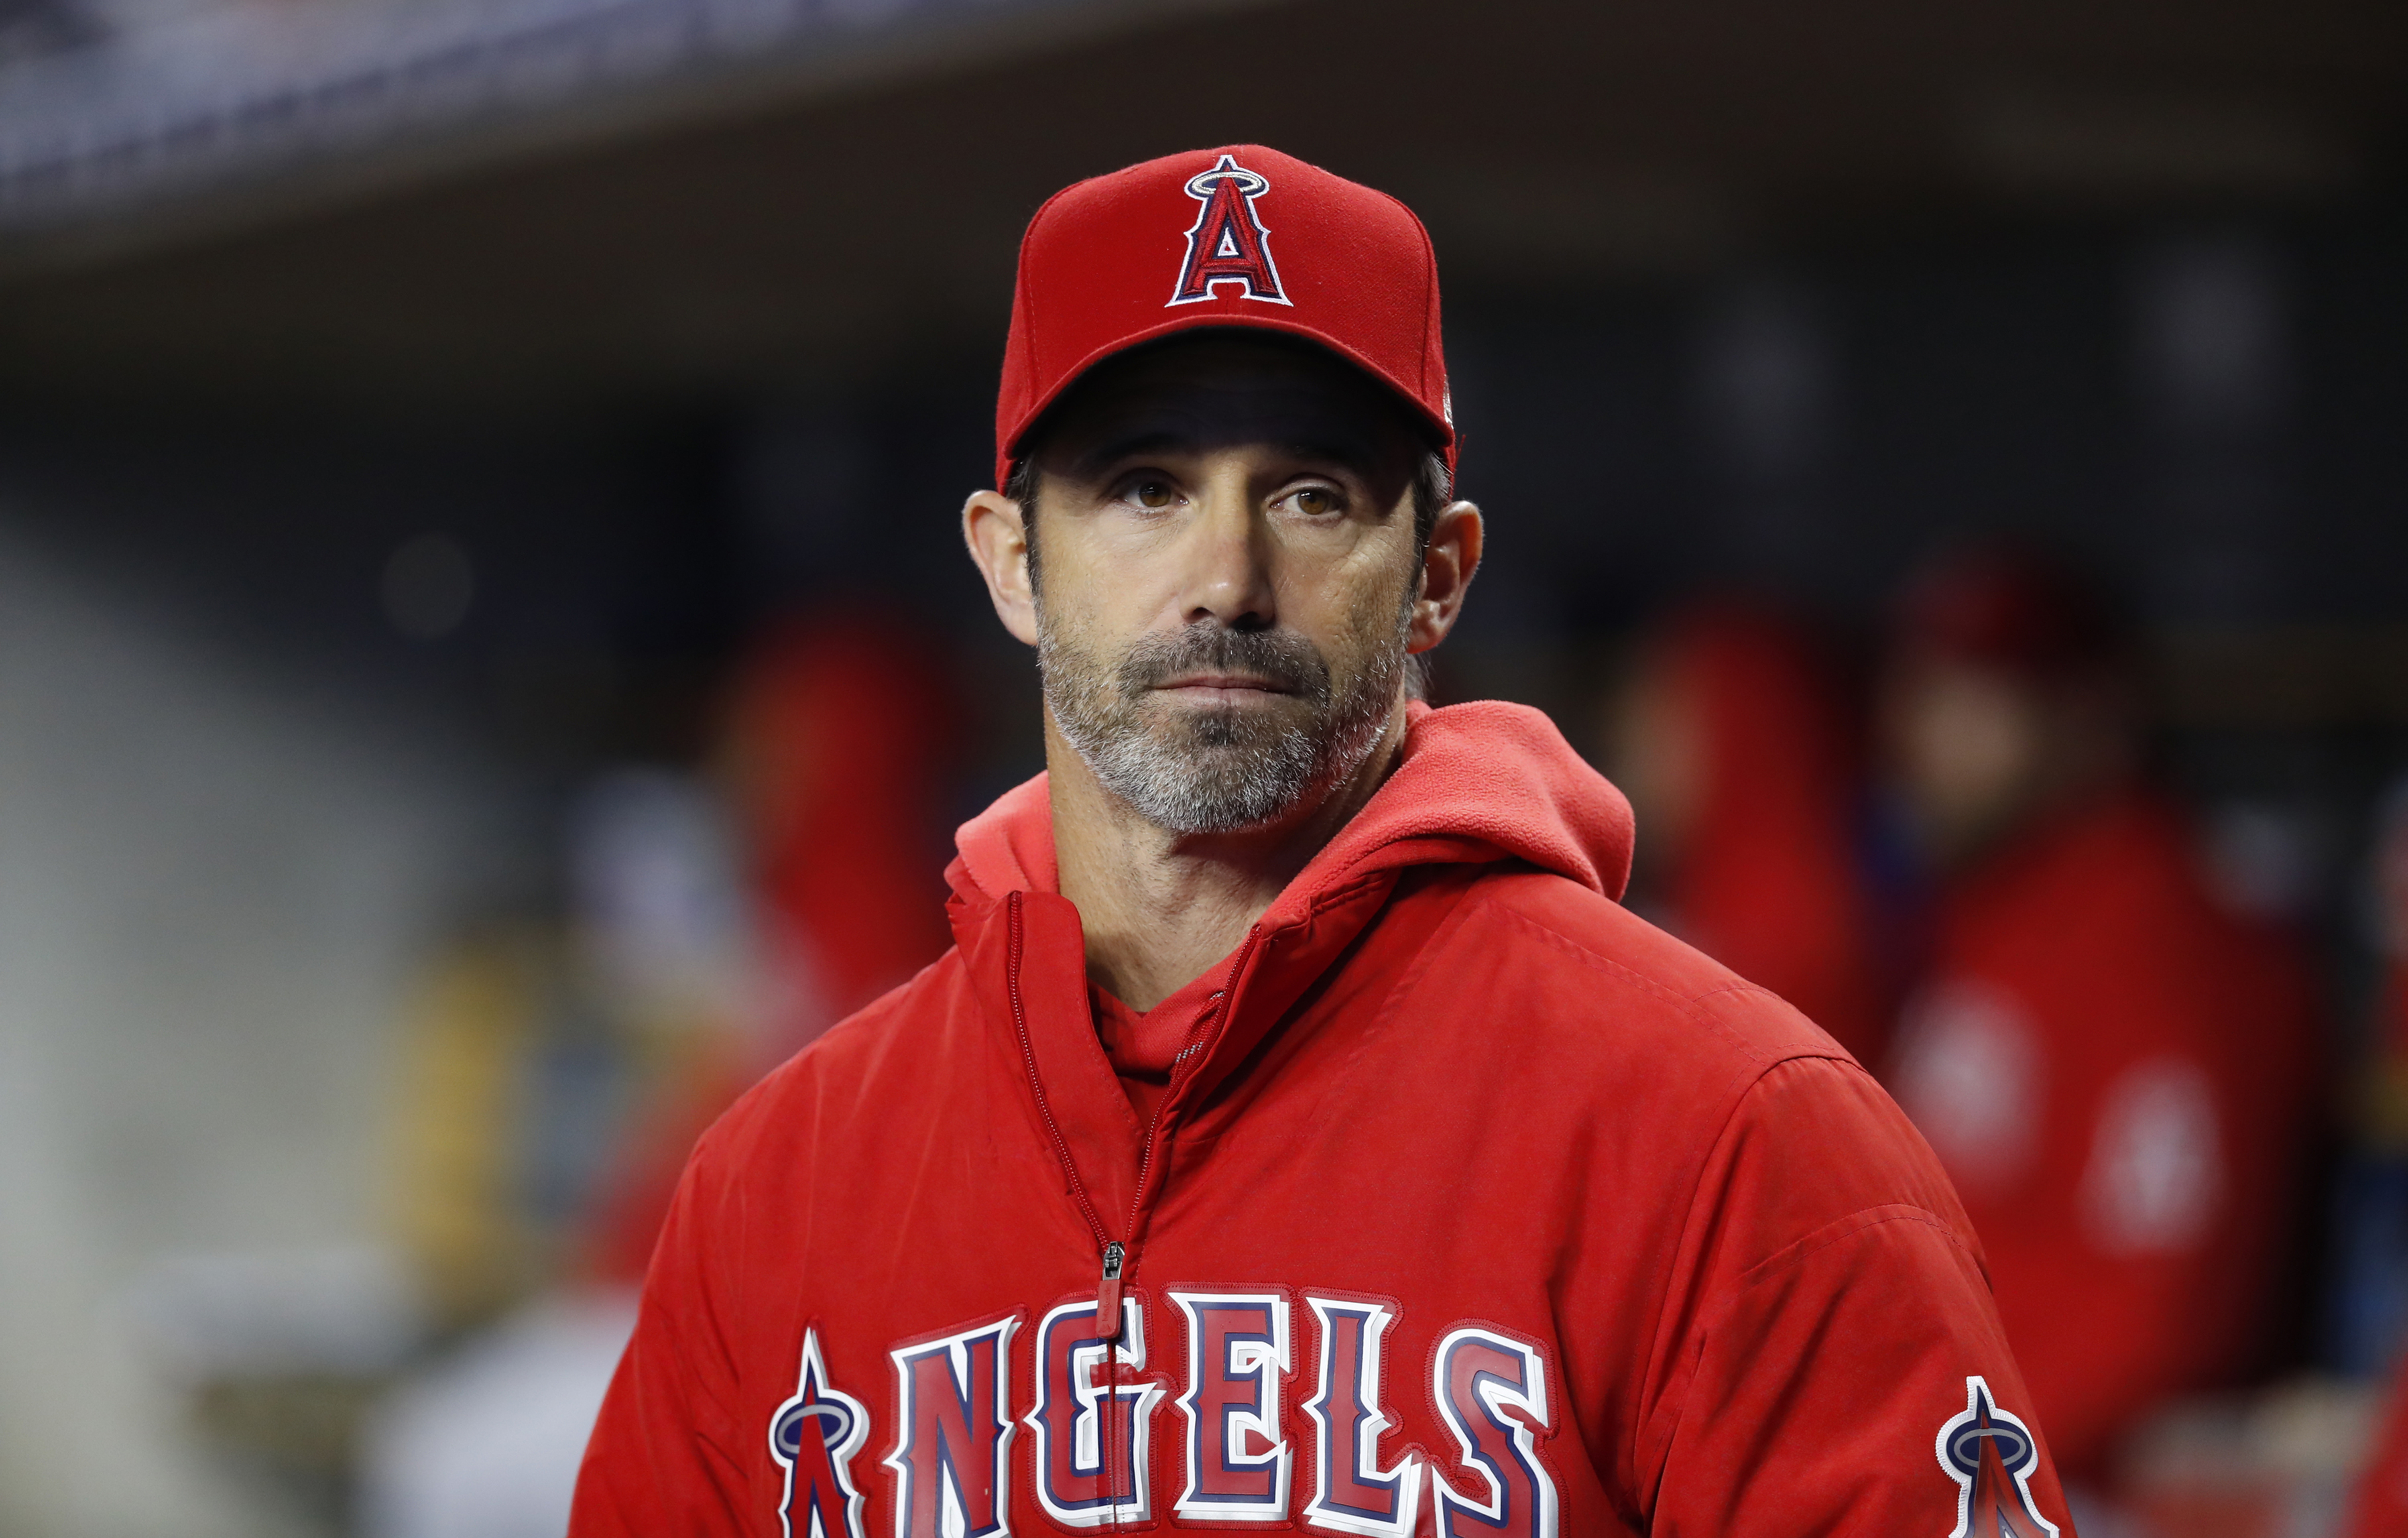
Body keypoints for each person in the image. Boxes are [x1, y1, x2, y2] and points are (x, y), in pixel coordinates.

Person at [570, 146, 2070, 1535]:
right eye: (1145, 488)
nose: (1227, 577)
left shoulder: (1734, 1130)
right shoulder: (782, 1182)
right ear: (1011, 561)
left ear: (1437, 579)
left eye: (1310, 493)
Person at [1880, 545, 2316, 1485]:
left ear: (2094, 716)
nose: (1927, 736)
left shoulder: (2168, 936)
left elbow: (2162, 1318)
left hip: (2070, 1483)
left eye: (1980, 702)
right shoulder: (1994, 915)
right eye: (1925, 695)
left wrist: (1931, 1466)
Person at [1609, 601, 1892, 1064]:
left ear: (1739, 735)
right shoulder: (1698, 890)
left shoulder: (1794, 929)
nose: (1633, 754)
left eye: (1659, 727)